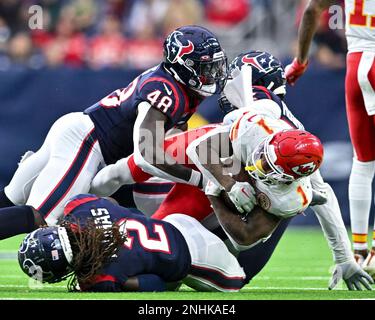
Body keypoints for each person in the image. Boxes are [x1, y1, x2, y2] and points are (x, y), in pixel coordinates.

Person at [90, 50, 374, 290]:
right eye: (264, 159)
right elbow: (191, 151)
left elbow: (254, 232)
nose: (226, 85)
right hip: (220, 155)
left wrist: (344, 258)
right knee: (146, 196)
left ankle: (138, 245)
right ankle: (90, 210)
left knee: (233, 278)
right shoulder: (251, 123)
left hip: (232, 182)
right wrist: (222, 183)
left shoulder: (295, 185)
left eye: (235, 80)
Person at [0, 25, 227, 241]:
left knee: (12, 198)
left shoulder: (178, 88)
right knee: (44, 219)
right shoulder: (165, 91)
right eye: (205, 68)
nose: (212, 74)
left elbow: (166, 147)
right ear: (182, 66)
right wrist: (200, 179)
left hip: (79, 132)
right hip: (86, 141)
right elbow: (147, 155)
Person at [284, 0, 375, 274]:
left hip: (355, 62)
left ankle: (358, 253)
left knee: (363, 161)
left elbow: (312, 10)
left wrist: (300, 60)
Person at [18, 194, 247, 292]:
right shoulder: (78, 207)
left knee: (238, 282)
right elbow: (110, 201)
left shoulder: (99, 277)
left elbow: (158, 284)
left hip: (198, 258)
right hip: (175, 221)